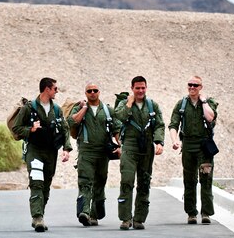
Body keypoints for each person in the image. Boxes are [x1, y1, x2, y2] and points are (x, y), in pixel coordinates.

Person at [11, 77, 72, 233]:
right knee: (37, 182)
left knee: (46, 185)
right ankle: (37, 217)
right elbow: (16, 128)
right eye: (55, 89)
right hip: (35, 150)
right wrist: (30, 129)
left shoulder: (57, 109)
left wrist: (67, 149)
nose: (57, 91)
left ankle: (40, 215)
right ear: (47, 89)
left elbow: (64, 129)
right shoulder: (29, 108)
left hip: (51, 151)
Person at [113, 75, 165, 231]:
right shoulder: (124, 104)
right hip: (129, 146)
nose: (140, 91)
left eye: (143, 88)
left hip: (147, 148)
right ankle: (125, 218)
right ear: (132, 89)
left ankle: (139, 219)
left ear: (146, 88)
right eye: (137, 88)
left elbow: (159, 125)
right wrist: (129, 103)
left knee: (144, 183)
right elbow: (119, 117)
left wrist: (158, 142)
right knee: (127, 180)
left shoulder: (152, 106)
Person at [67, 83, 121, 227]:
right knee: (85, 182)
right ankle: (84, 212)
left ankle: (94, 214)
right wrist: (84, 108)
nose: (92, 93)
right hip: (86, 151)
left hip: (103, 152)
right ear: (85, 93)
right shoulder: (79, 108)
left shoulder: (107, 110)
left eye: (95, 90)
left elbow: (116, 129)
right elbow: (71, 122)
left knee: (100, 182)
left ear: (99, 92)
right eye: (89, 91)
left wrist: (121, 146)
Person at [168, 75, 218, 225]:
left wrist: (203, 101)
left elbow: (210, 118)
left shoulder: (209, 103)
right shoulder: (181, 104)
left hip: (204, 146)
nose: (192, 87)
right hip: (188, 146)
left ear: (200, 87)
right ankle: (191, 213)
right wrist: (175, 140)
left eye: (195, 85)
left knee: (206, 180)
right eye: (190, 85)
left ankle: (206, 213)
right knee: (189, 181)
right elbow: (173, 125)